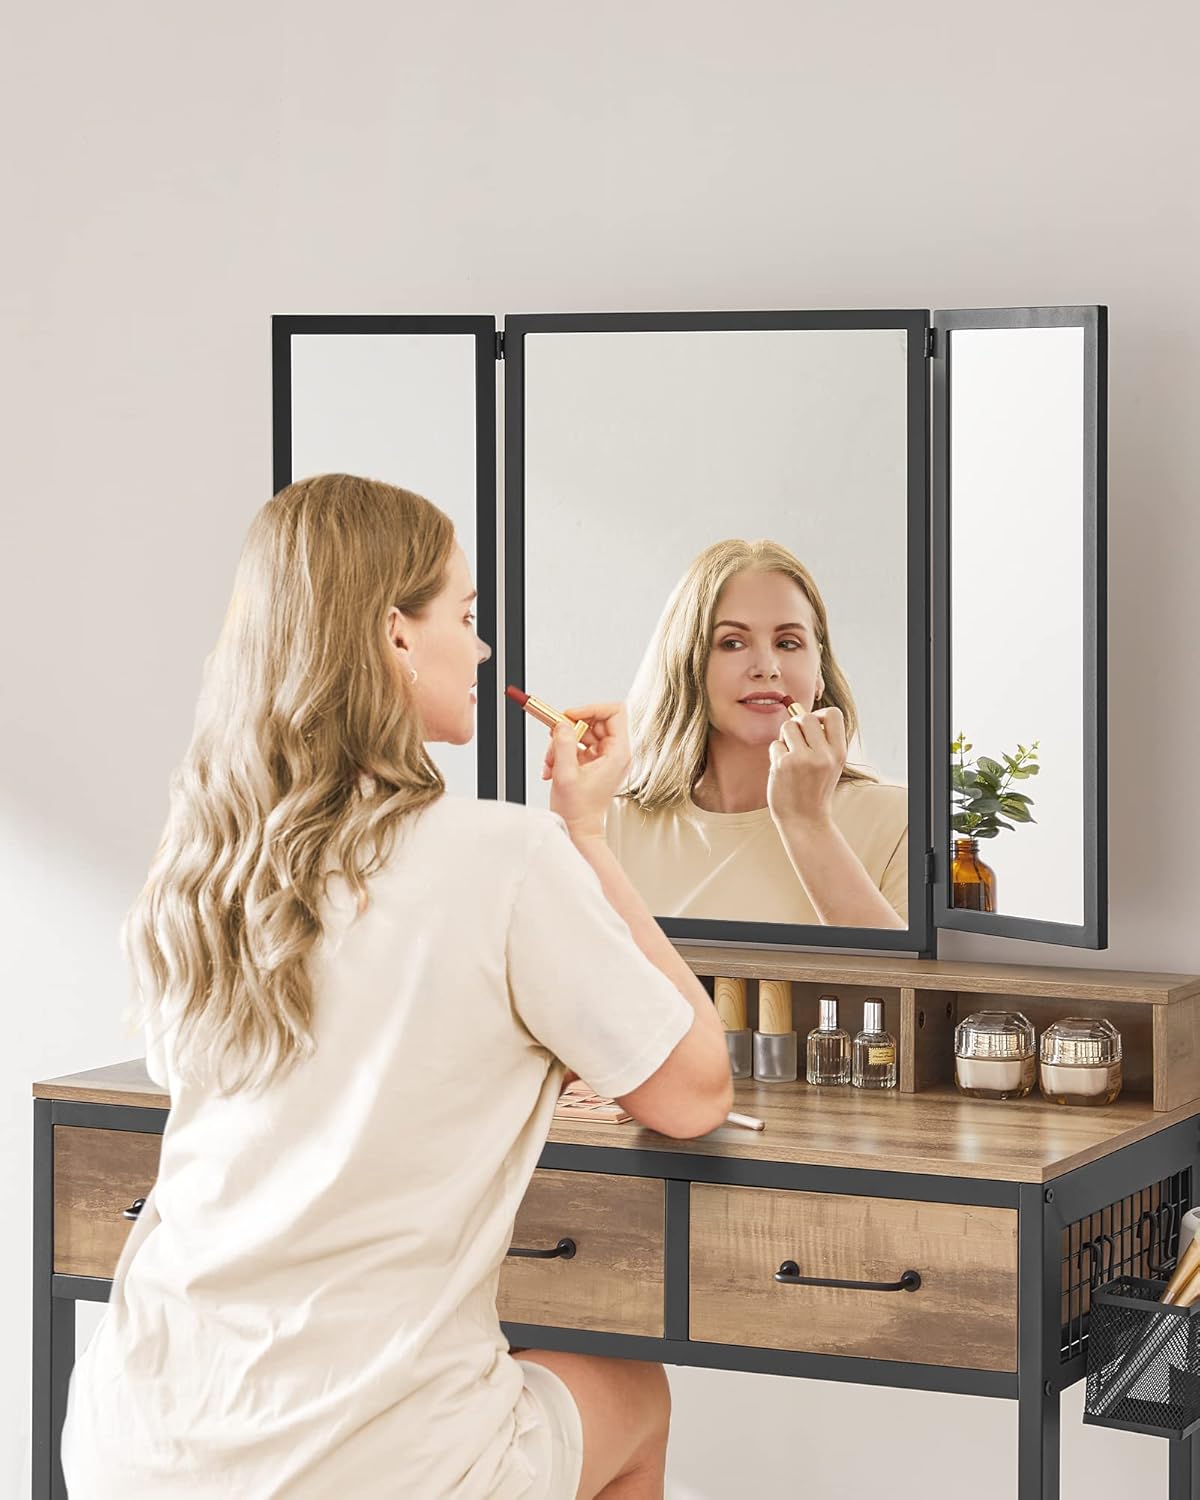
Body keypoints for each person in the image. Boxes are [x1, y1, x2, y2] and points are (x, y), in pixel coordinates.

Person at [60, 473, 732, 1499]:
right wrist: (588, 836)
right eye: (464, 616)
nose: (483, 648)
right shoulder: (506, 855)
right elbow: (693, 1095)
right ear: (395, 635)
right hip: (359, 1463)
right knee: (634, 1393)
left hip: (138, 1437)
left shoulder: (210, 857)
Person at [597, 539, 908, 928]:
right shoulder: (613, 825)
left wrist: (807, 822)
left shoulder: (898, 823)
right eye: (732, 643)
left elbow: (901, 984)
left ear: (818, 674)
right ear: (687, 664)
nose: (767, 667)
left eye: (788, 643)